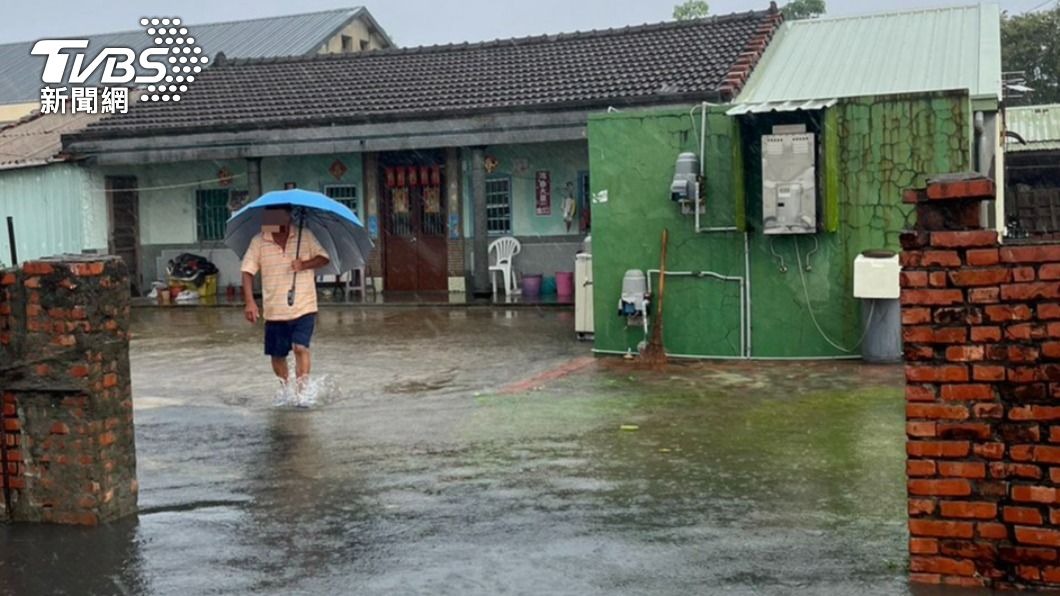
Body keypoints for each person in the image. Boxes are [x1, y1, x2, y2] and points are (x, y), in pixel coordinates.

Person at [240, 205, 330, 404]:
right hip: (274, 310)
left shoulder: (304, 236)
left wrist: (304, 264)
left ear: (287, 217)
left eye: (275, 216)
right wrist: (250, 302)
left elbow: (324, 258)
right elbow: (247, 271)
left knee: (300, 347)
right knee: (277, 355)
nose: (270, 221)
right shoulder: (259, 241)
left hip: (304, 306)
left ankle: (302, 393)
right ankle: (285, 388)